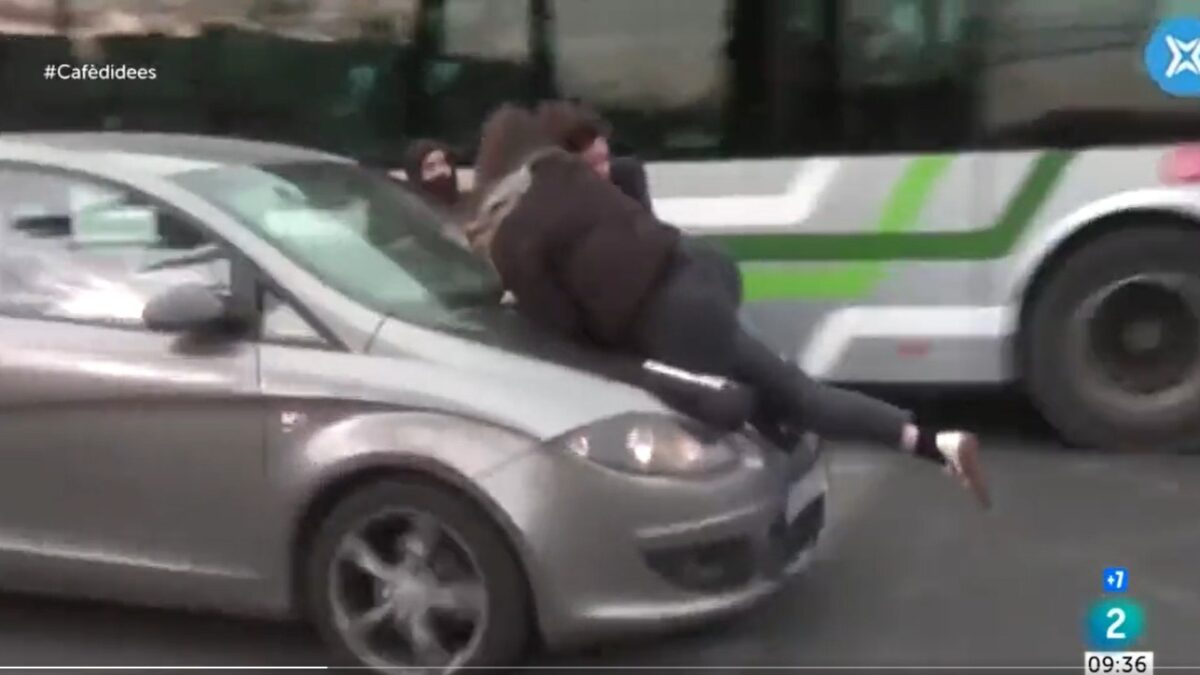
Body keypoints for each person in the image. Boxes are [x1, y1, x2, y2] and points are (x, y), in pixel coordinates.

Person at [468, 104, 991, 509]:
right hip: (701, 269)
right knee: (784, 394)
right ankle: (928, 443)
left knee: (746, 408)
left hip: (672, 317)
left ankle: (806, 481)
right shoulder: (568, 175)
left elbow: (563, 328)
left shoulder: (512, 238)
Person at [534, 99, 743, 305]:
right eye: (591, 165)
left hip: (639, 283)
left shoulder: (625, 176)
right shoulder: (545, 204)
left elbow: (649, 234)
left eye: (604, 159)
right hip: (594, 302)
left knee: (709, 260)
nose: (604, 171)